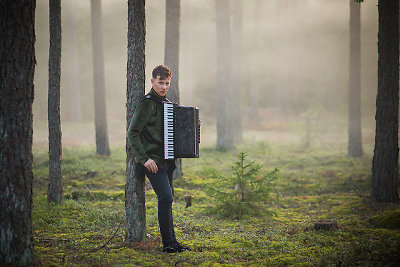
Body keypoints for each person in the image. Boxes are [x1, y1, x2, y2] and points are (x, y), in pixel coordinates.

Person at [128, 65, 191, 253]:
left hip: (167, 161)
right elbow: (133, 133)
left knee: (168, 199)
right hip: (152, 162)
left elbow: (176, 130)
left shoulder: (168, 104)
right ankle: (168, 244)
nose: (164, 87)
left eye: (167, 83)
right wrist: (144, 159)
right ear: (152, 81)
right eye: (160, 83)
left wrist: (192, 122)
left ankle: (172, 242)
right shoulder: (146, 104)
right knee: (165, 196)